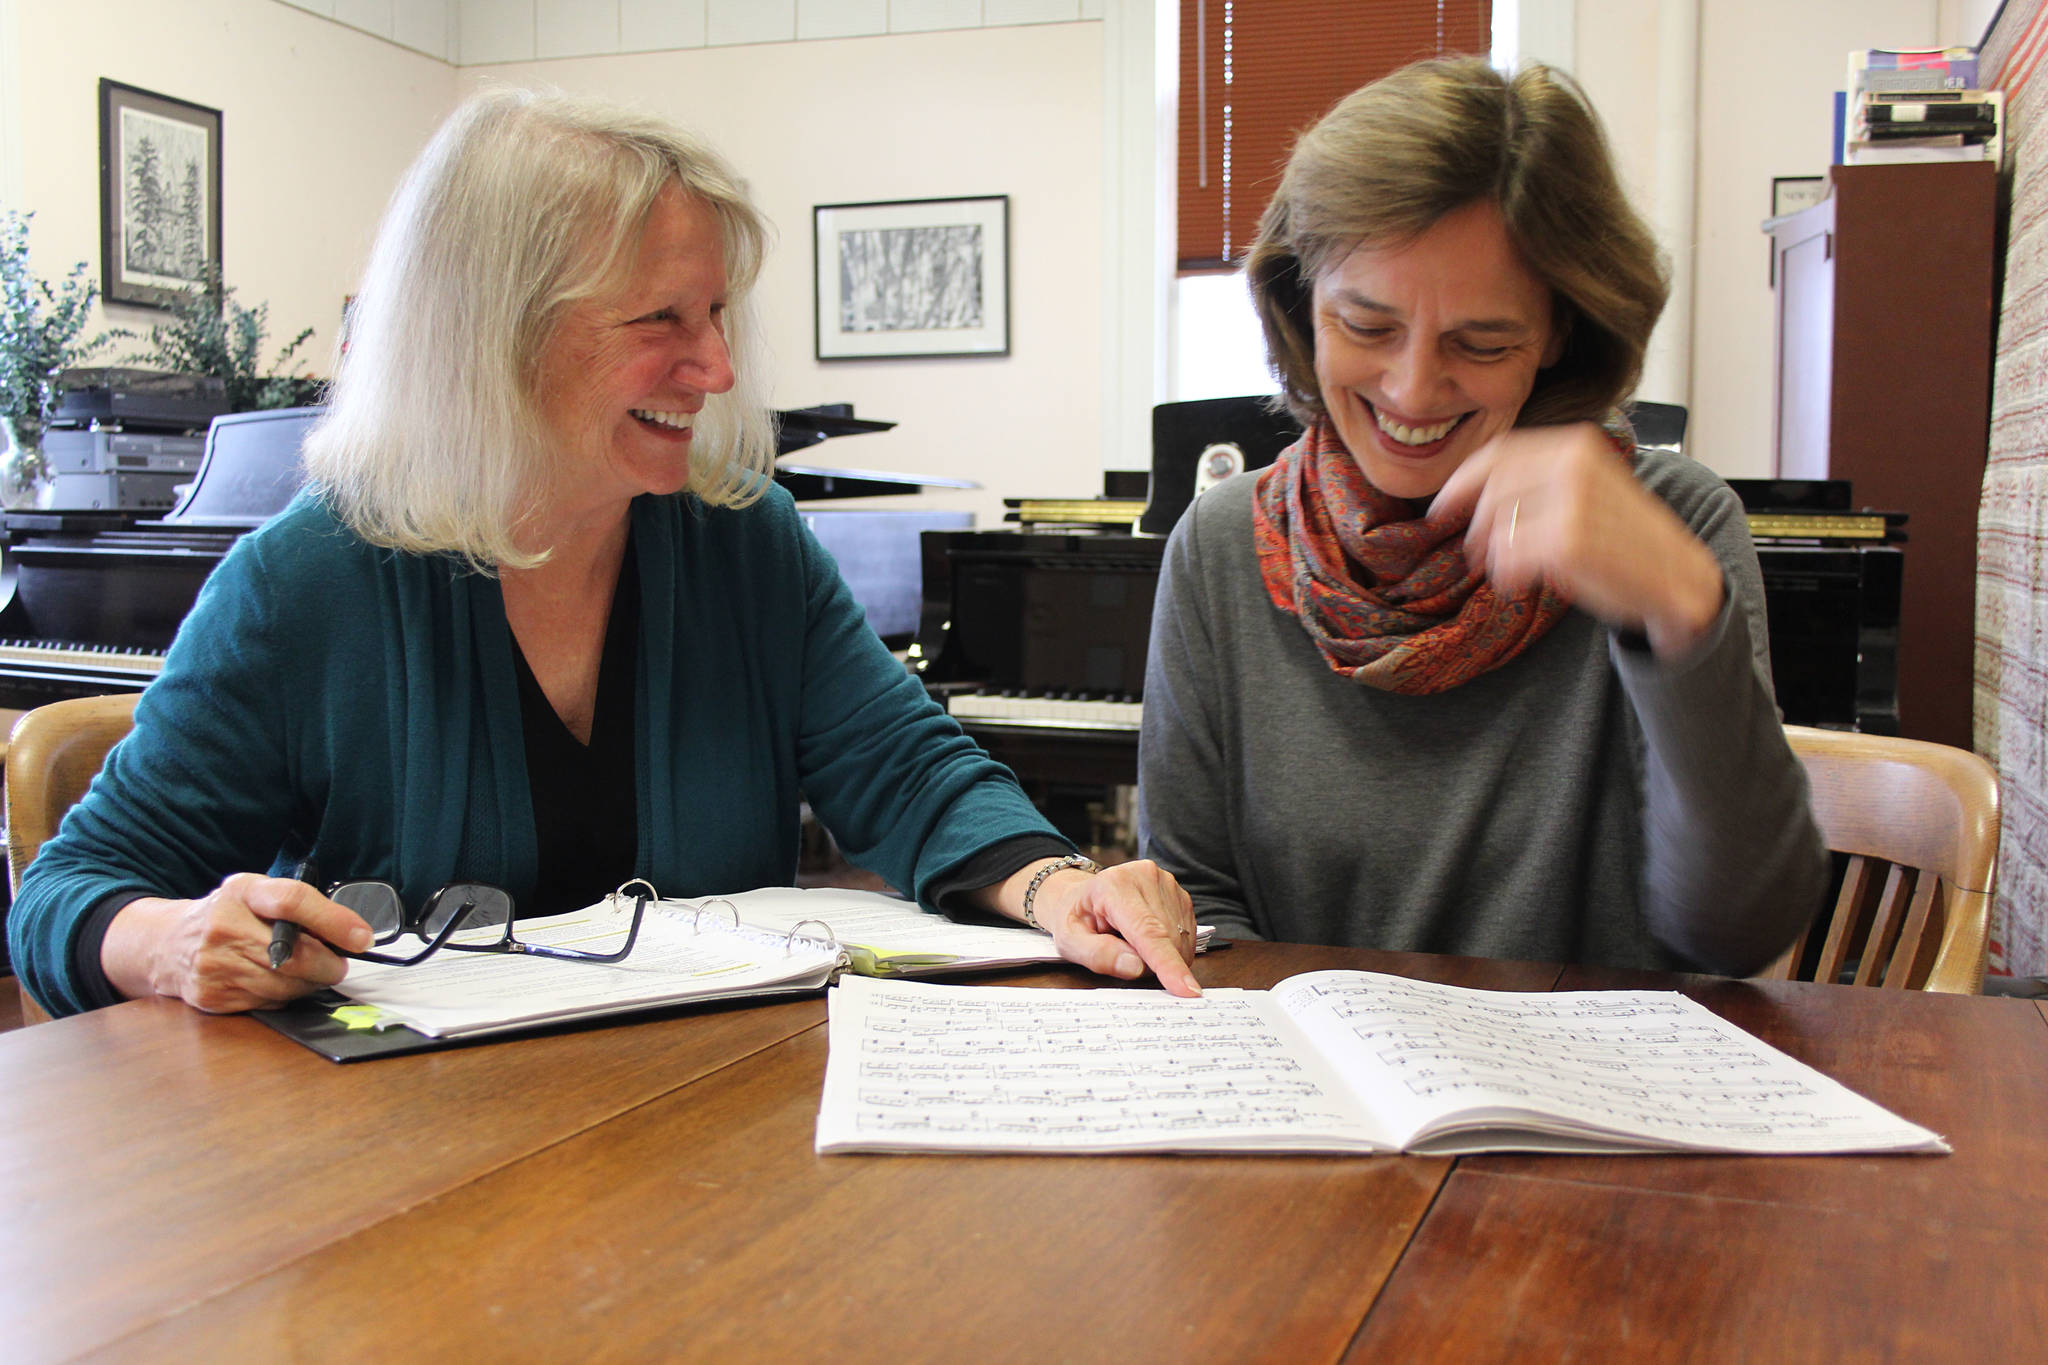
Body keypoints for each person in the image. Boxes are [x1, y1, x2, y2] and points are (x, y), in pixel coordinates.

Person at [8, 88, 1198, 1018]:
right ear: (494, 335)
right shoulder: (303, 585)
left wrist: (1057, 886)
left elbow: (907, 772)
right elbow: (66, 897)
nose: (716, 368)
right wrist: (169, 943)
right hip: (407, 1175)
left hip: (692, 1138)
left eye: (716, 313)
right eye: (660, 319)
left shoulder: (743, 545)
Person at [1137, 58, 1827, 975]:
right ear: (1301, 303)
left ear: (1560, 333)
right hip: (1303, 1062)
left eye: (1483, 342)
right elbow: (1195, 902)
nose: (1413, 390)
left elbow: (1738, 936)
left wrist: (1682, 622)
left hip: (1584, 1067)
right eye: (1367, 327)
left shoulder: (1674, 523)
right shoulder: (1220, 545)